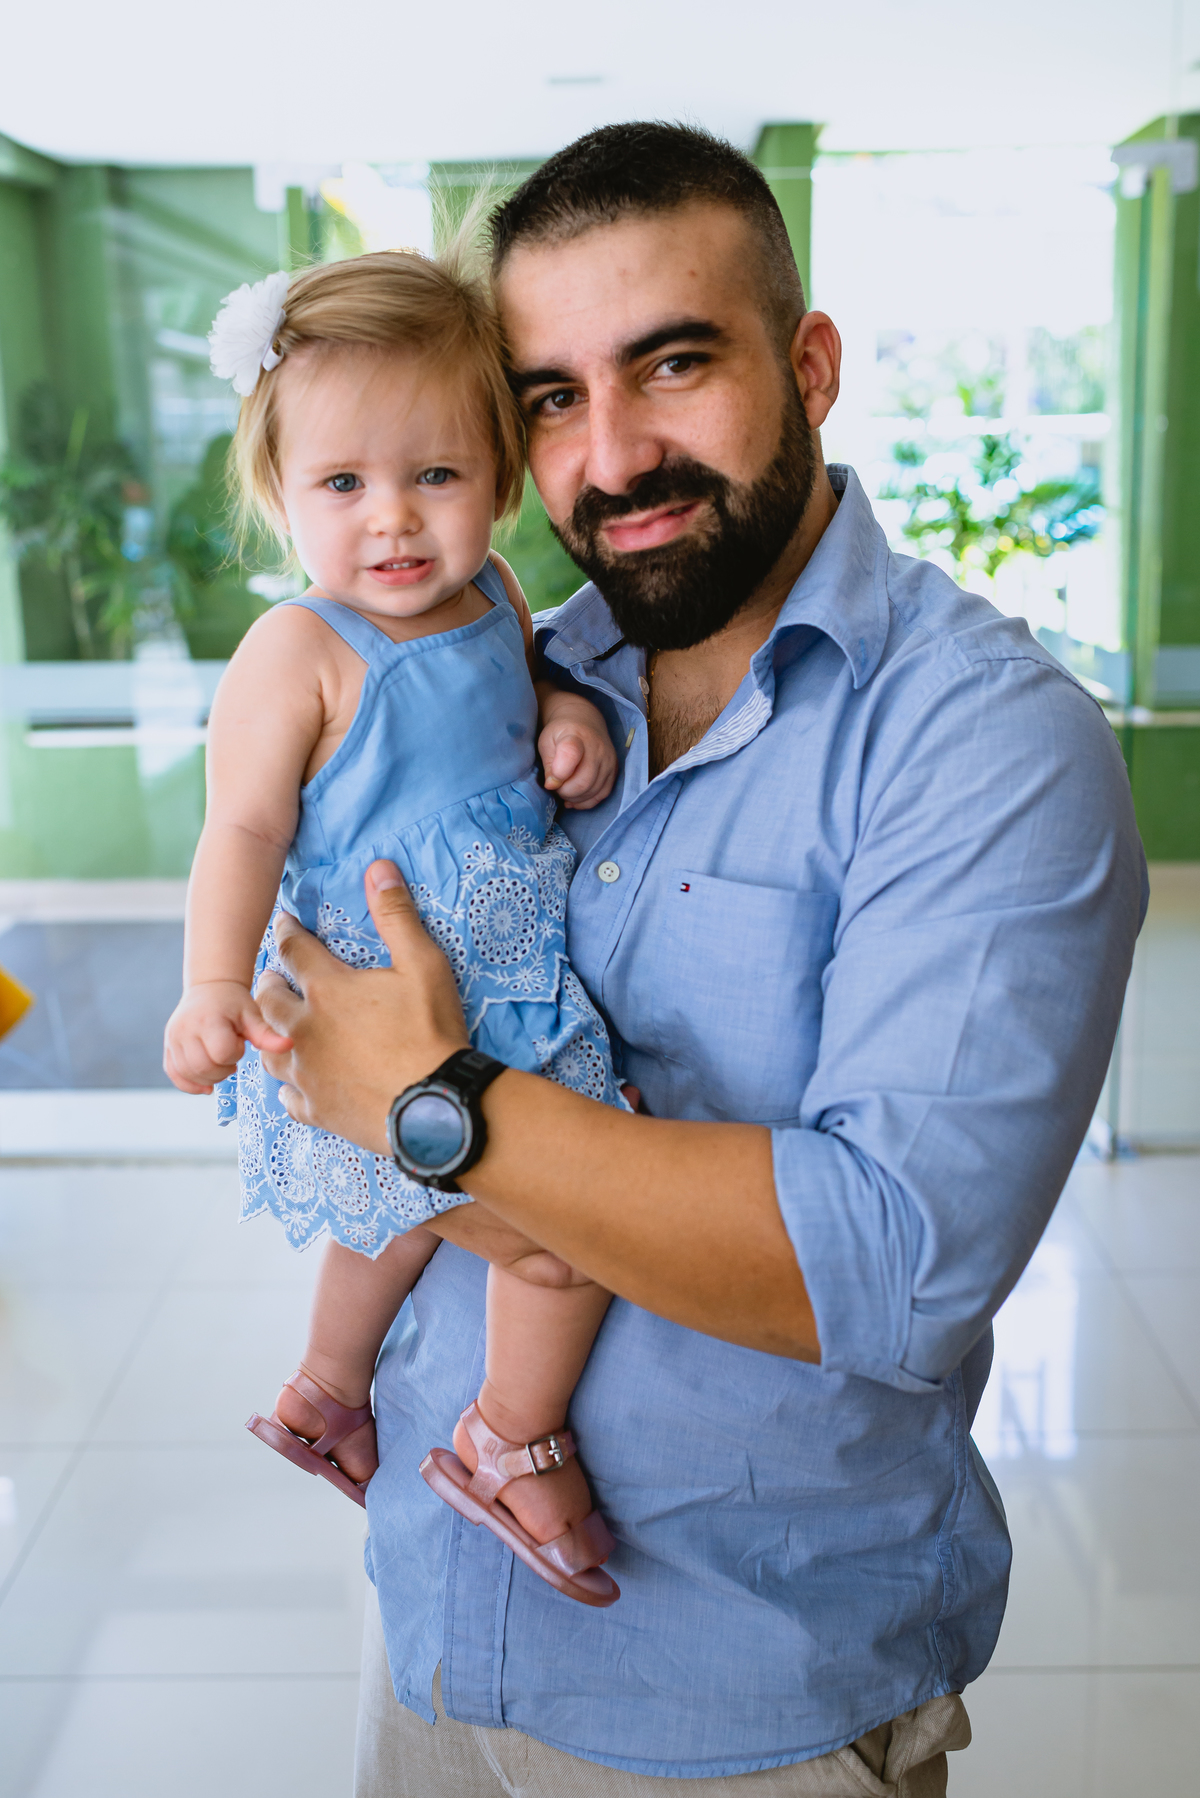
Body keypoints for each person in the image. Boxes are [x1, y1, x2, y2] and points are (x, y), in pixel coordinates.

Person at [256, 125, 1147, 1795]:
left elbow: (884, 1260)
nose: (615, 451)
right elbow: (319, 990)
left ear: (807, 365)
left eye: (674, 364)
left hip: (742, 1711)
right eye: (549, 396)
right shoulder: (510, 682)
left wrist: (434, 1105)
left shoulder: (984, 744)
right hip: (432, 1626)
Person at [162, 247, 646, 1604]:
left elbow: (524, 688)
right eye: (342, 484)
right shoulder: (298, 651)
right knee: (570, 1234)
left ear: (500, 473)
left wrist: (566, 718)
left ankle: (327, 1388)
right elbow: (243, 830)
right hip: (374, 989)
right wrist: (211, 982)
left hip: (505, 965)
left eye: (436, 474)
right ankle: (510, 1436)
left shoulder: (495, 596)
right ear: (278, 492)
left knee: (408, 1218)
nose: (394, 521)